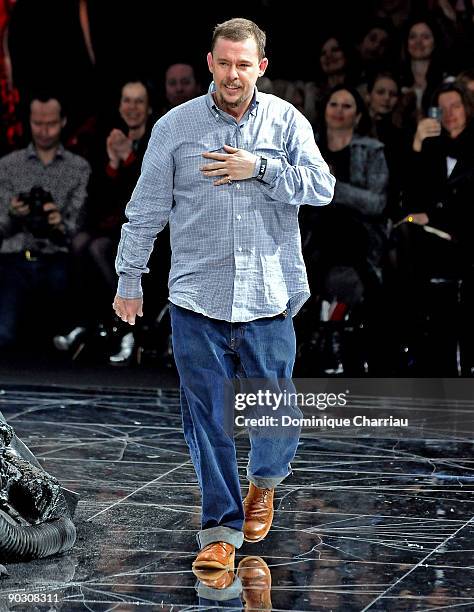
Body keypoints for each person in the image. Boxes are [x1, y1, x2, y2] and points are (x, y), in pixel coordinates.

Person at [112, 18, 334, 573]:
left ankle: (265, 481)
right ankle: (220, 529)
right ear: (209, 63)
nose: (233, 74)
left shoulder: (286, 121)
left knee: (274, 415)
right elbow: (144, 212)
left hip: (268, 294)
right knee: (206, 419)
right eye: (224, 62)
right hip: (197, 297)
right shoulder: (175, 127)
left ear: (261, 67)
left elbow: (323, 188)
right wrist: (128, 279)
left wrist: (258, 167)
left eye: (244, 64)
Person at [301, 85, 389, 374]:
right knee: (326, 224)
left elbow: (376, 203)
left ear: (359, 115)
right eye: (333, 104)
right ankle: (325, 329)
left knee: (339, 225)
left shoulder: (372, 150)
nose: (339, 111)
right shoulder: (307, 146)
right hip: (312, 233)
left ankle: (323, 330)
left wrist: (332, 186)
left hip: (358, 237)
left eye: (347, 106)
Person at [0, 95, 90, 349]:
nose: (44, 130)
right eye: (38, 123)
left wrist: (58, 221)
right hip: (14, 259)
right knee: (4, 335)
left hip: (57, 258)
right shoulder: (8, 166)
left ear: (63, 122)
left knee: (59, 336)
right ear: (29, 122)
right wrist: (14, 213)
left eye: (50, 123)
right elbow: (1, 229)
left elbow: (78, 228)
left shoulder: (78, 167)